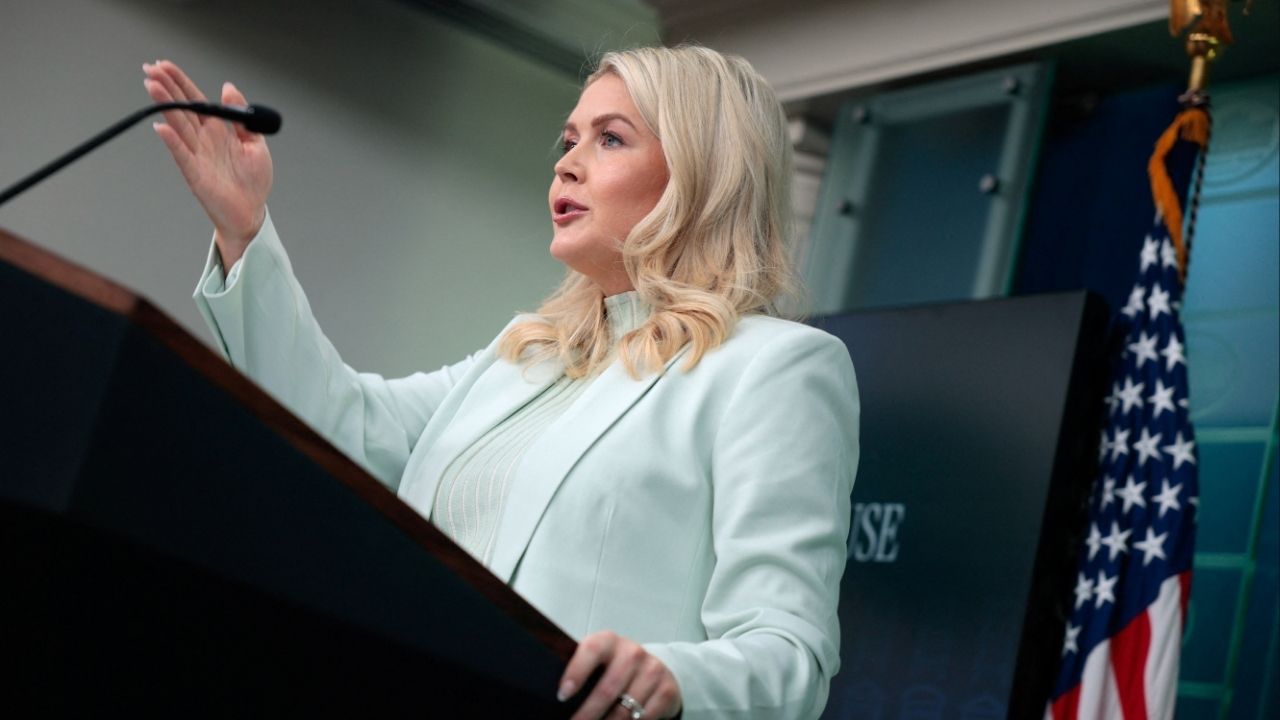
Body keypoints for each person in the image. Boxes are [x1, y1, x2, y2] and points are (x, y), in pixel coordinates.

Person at [143, 45, 859, 720]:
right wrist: (245, 232)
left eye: (610, 138)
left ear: (704, 172)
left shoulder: (773, 368)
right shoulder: (522, 355)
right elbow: (334, 427)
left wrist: (669, 678)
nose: (568, 164)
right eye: (568, 140)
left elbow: (788, 651)